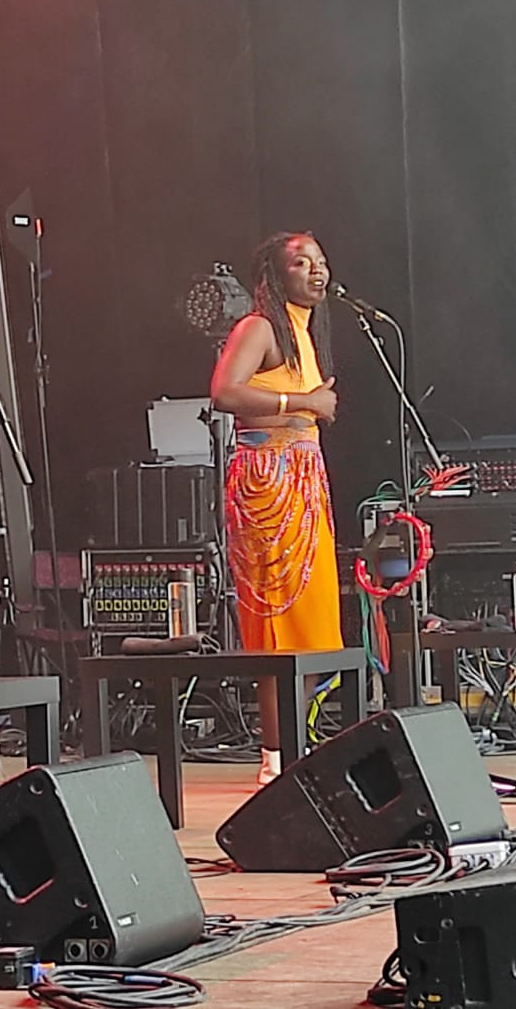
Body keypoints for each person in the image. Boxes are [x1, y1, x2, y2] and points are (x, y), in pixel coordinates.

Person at [210, 231, 343, 789]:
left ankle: (293, 742)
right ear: (275, 274)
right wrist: (303, 402)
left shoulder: (304, 333)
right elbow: (224, 392)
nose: (316, 271)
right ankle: (274, 756)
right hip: (268, 481)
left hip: (305, 483)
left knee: (315, 626)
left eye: (321, 261)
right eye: (301, 262)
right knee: (278, 625)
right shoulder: (258, 327)